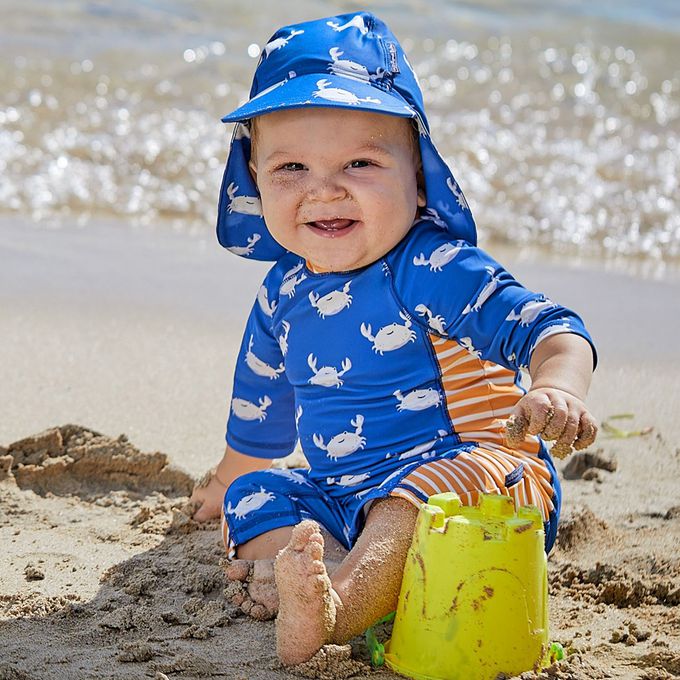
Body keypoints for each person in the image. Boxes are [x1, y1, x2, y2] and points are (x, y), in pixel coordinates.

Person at [189, 12, 598, 667]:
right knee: (256, 497)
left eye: (360, 162)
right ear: (255, 179)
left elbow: (553, 330)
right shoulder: (281, 291)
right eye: (291, 166)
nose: (324, 188)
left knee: (414, 496)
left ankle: (337, 608)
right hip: (346, 495)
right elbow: (259, 410)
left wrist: (558, 387)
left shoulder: (433, 267)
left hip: (482, 485)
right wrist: (224, 483)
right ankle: (316, 573)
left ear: (418, 174)